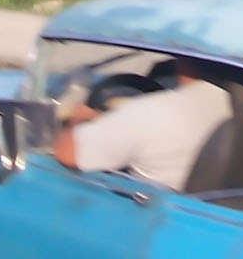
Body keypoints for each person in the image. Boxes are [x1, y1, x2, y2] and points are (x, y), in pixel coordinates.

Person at [53, 58, 233, 191]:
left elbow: (68, 153)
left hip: (147, 214)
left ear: (183, 62)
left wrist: (78, 120)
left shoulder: (148, 111)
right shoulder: (235, 103)